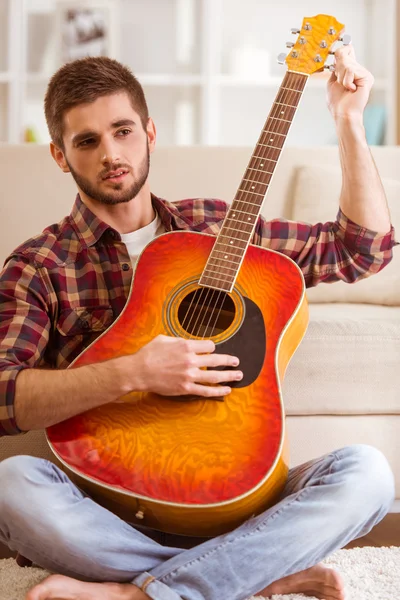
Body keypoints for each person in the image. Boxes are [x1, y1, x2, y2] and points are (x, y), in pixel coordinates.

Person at [0, 45, 397, 600]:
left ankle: (142, 592)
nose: (111, 153)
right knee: (10, 484)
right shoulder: (39, 264)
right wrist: (133, 372)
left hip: (238, 493)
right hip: (109, 502)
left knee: (369, 474)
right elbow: (3, 396)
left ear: (151, 132)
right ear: (61, 156)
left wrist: (348, 122)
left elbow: (362, 250)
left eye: (123, 131)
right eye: (86, 141)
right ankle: (254, 574)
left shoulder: (215, 227)